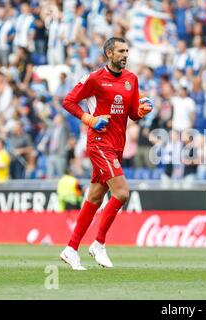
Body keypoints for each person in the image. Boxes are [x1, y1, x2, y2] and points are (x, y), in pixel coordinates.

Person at [59, 37, 153, 270]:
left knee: (94, 199)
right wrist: (90, 119)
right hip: (99, 143)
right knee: (121, 193)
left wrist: (141, 111)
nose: (125, 54)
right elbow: (68, 101)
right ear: (109, 53)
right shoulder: (95, 79)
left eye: (127, 50)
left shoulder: (132, 80)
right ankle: (98, 244)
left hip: (117, 145)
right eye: (121, 50)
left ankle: (71, 249)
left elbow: (132, 113)